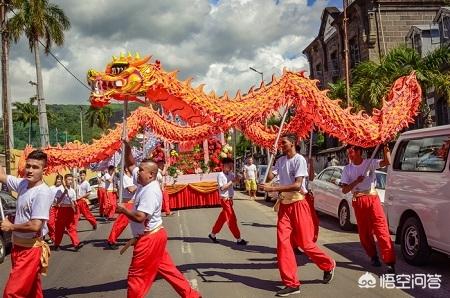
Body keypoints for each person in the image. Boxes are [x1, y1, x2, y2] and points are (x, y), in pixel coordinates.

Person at [117, 141, 201, 298]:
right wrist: (127, 149)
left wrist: (123, 210)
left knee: (136, 277)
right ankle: (192, 296)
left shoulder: (151, 190)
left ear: (151, 174)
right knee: (169, 271)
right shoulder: (143, 180)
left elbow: (140, 217)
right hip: (154, 237)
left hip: (149, 240)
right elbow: (130, 165)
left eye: (141, 170)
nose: (137, 172)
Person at [261, 134, 335, 296]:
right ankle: (292, 283)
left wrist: (272, 189)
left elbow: (297, 185)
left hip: (299, 204)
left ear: (293, 143)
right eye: (281, 143)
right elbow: (270, 177)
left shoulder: (299, 160)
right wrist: (272, 159)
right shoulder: (280, 160)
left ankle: (328, 264)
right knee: (283, 243)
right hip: (284, 207)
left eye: (284, 143)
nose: (281, 145)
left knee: (305, 243)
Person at [0, 150, 53, 297]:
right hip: (18, 247)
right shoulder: (23, 184)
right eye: (28, 166)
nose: (30, 170)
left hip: (30, 250)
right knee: (32, 292)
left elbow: (35, 225)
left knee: (11, 293)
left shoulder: (42, 193)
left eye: (35, 167)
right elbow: (2, 176)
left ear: (44, 170)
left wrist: (11, 226)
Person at [340, 144, 395, 273]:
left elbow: (387, 162)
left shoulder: (369, 163)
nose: (349, 153)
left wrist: (385, 147)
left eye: (351, 151)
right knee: (364, 233)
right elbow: (344, 190)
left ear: (359, 151)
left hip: (372, 198)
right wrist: (356, 182)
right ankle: (373, 256)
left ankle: (389, 261)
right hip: (358, 200)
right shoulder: (347, 169)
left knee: (381, 229)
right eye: (348, 151)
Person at [208, 158, 248, 245]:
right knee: (232, 218)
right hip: (225, 200)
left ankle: (213, 234)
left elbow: (236, 181)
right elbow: (222, 188)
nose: (230, 167)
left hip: (230, 199)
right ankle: (238, 238)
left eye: (231, 166)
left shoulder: (231, 174)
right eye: (229, 166)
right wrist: (232, 181)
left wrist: (239, 177)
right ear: (224, 165)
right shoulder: (220, 175)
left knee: (222, 219)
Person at [107, 167, 137, 249]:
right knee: (121, 224)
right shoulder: (125, 178)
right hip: (127, 204)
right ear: (126, 169)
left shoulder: (132, 178)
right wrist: (139, 184)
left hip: (134, 204)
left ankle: (140, 239)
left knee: (139, 223)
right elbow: (131, 189)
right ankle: (111, 240)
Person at [53, 173, 83, 251]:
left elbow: (73, 201)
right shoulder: (60, 189)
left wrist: (75, 208)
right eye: (68, 179)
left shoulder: (72, 190)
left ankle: (76, 244)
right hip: (62, 210)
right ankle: (56, 244)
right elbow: (57, 202)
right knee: (60, 229)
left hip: (70, 210)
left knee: (71, 227)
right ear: (65, 180)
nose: (70, 181)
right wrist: (64, 193)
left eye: (71, 180)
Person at [48, 174, 64, 244]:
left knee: (55, 224)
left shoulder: (62, 189)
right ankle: (53, 236)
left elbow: (61, 199)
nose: (59, 180)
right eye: (58, 179)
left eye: (60, 179)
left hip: (58, 208)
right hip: (50, 207)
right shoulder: (51, 187)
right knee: (49, 223)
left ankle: (54, 237)